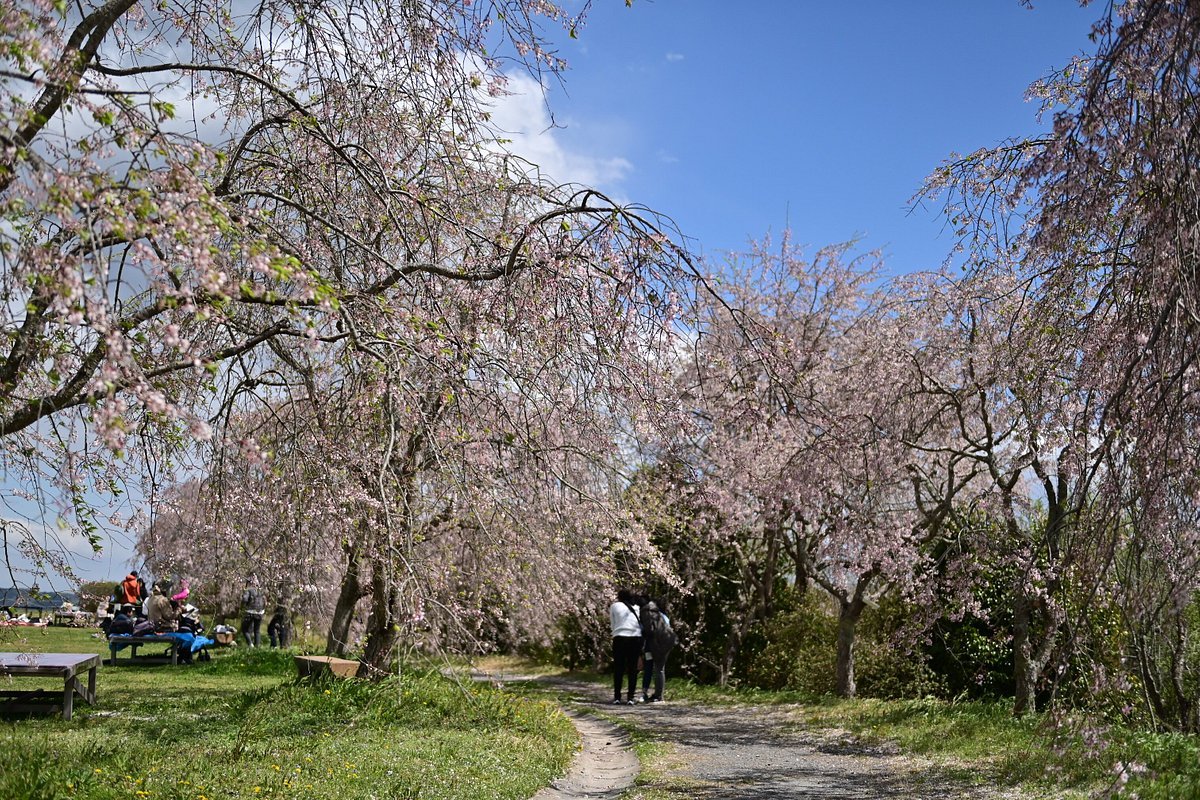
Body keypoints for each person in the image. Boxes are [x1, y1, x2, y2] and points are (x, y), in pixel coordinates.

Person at [638, 599, 678, 703]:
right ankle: (657, 694)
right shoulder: (661, 616)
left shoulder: (645, 615)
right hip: (660, 644)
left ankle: (649, 694)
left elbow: (645, 630)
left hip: (652, 645)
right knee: (659, 669)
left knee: (651, 669)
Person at [609, 588, 642, 705]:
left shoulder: (614, 606)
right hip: (635, 638)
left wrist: (616, 632)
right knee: (632, 669)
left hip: (619, 637)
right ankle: (630, 698)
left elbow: (612, 624)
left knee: (619, 668)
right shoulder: (637, 607)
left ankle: (617, 697)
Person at [241, 582, 266, 647]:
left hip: (250, 612)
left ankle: (250, 644)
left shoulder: (248, 590)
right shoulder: (260, 591)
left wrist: (243, 605)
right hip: (260, 612)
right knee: (257, 630)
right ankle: (257, 646)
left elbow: (244, 599)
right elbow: (265, 601)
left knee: (244, 629)